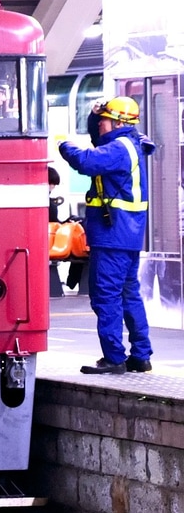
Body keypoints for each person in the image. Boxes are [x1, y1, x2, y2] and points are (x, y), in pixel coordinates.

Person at [57, 96, 155, 374]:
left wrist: (62, 145)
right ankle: (141, 355)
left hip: (112, 236)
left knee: (106, 297)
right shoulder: (129, 143)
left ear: (116, 123)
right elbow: (98, 139)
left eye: (103, 120)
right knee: (128, 294)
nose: (99, 123)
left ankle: (114, 358)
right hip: (128, 235)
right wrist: (94, 115)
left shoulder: (119, 149)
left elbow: (86, 161)